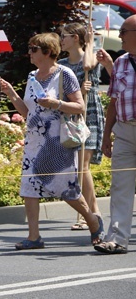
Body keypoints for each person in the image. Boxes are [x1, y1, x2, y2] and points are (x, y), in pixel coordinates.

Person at [0, 32, 104, 250]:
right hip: (34, 142)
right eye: (29, 48)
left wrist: (55, 104)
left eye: (33, 49)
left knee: (66, 189)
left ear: (47, 52)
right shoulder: (31, 76)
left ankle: (92, 220)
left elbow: (80, 106)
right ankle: (34, 236)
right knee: (29, 187)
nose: (29, 52)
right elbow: (28, 112)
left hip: (58, 141)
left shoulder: (64, 74)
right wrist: (11, 94)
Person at [58, 23, 105, 231]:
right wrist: (79, 93)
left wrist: (90, 40)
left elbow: (88, 66)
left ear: (76, 38)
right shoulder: (61, 64)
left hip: (91, 114)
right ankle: (90, 212)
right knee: (77, 167)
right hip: (72, 117)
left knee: (82, 165)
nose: (61, 40)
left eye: (65, 36)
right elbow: (60, 92)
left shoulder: (92, 55)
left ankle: (93, 213)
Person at [95, 15, 136, 255]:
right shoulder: (120, 62)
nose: (119, 35)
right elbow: (113, 100)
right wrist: (106, 135)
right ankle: (117, 239)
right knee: (120, 186)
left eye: (123, 31)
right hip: (125, 131)